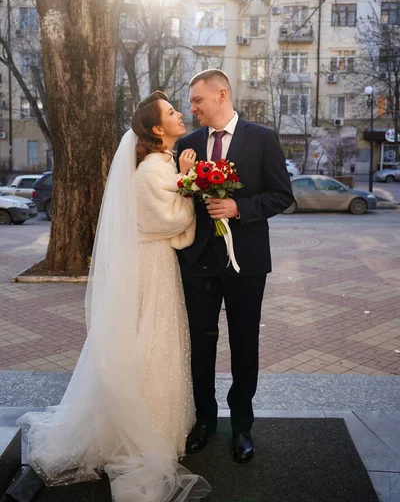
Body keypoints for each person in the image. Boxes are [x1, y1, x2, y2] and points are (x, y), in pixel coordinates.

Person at [17, 92, 210, 502]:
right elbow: (168, 220)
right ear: (157, 129)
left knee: (155, 338)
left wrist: (184, 180)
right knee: (149, 339)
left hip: (154, 263)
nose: (180, 115)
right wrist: (190, 189)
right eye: (172, 113)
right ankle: (142, 426)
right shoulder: (152, 171)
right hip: (150, 266)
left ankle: (157, 421)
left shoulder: (162, 164)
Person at [177, 69, 294, 464]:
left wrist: (239, 208)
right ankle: (205, 420)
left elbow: (282, 195)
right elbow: (179, 202)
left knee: (245, 342)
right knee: (201, 342)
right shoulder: (188, 145)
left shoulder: (262, 138)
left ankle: (242, 424)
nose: (191, 108)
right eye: (191, 102)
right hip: (198, 262)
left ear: (221, 94)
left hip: (247, 262)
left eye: (197, 100)